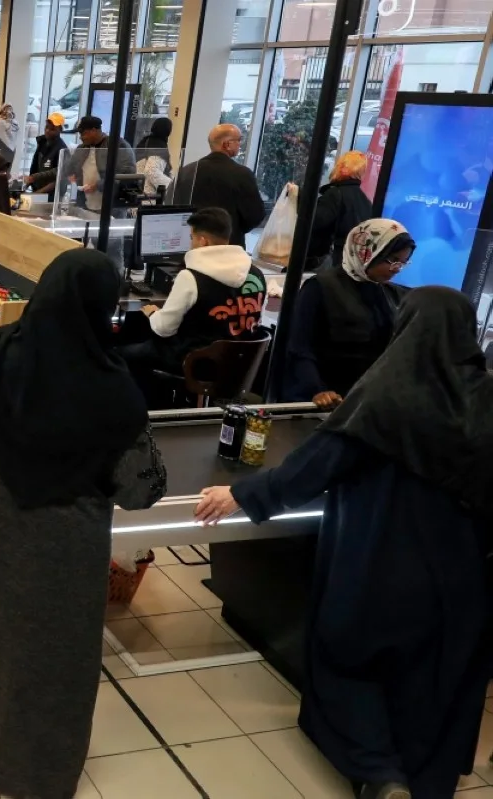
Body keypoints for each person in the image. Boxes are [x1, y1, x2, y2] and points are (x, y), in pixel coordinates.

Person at [196, 286, 493, 799]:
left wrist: (242, 494)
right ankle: (428, 778)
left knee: (349, 662)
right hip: (463, 575)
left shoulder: (386, 394)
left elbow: (316, 467)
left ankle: (379, 772)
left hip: (377, 562)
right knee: (433, 677)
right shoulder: (487, 401)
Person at [0, 249, 164, 799]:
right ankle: (38, 770)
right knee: (58, 653)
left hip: (0, 526)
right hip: (69, 546)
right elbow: (140, 489)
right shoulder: (114, 387)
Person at [120, 207, 267, 377]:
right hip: (239, 365)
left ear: (203, 241)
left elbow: (164, 329)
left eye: (191, 238)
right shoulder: (256, 274)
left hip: (195, 363)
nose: (190, 244)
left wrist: (153, 313)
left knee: (120, 354)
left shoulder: (190, 277)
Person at [285, 219, 414, 409]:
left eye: (402, 263)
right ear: (367, 251)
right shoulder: (321, 288)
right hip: (327, 398)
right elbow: (300, 348)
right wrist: (316, 390)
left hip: (368, 401)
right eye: (392, 260)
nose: (396, 269)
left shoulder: (390, 293)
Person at [171, 123, 264, 248]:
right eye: (238, 140)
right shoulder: (242, 174)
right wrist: (234, 229)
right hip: (229, 246)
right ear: (227, 144)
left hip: (192, 244)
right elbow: (255, 215)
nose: (240, 144)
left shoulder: (187, 171)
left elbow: (173, 205)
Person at [308, 151, 373, 270]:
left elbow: (316, 222)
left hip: (326, 261)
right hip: (349, 262)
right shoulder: (366, 201)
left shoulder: (335, 194)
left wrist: (302, 201)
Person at [67, 115, 136, 213]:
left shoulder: (117, 144)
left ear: (94, 130)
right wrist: (70, 174)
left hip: (111, 209)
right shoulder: (81, 149)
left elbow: (127, 173)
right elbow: (69, 168)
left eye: (84, 133)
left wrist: (98, 185)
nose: (81, 137)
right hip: (86, 206)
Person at [25, 113, 69, 198]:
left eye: (52, 129)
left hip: (52, 196)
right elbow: (34, 167)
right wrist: (27, 184)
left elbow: (59, 177)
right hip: (38, 191)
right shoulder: (42, 143)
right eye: (46, 127)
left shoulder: (62, 149)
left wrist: (38, 193)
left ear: (60, 130)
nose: (47, 130)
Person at [135, 117, 173, 197]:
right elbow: (151, 171)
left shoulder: (145, 142)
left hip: (138, 193)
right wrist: (173, 186)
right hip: (149, 196)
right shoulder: (158, 146)